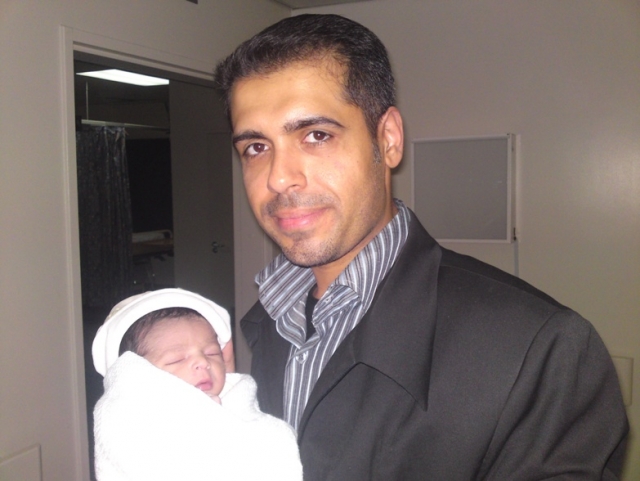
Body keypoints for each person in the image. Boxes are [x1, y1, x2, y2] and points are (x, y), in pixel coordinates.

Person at [213, 13, 629, 481]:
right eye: (255, 147)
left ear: (388, 139)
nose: (278, 178)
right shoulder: (270, 318)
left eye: (316, 136)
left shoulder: (540, 348)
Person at [91, 288, 302, 481]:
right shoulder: (131, 415)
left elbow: (269, 445)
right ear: (135, 375)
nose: (203, 361)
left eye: (212, 353)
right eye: (177, 359)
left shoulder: (236, 404)